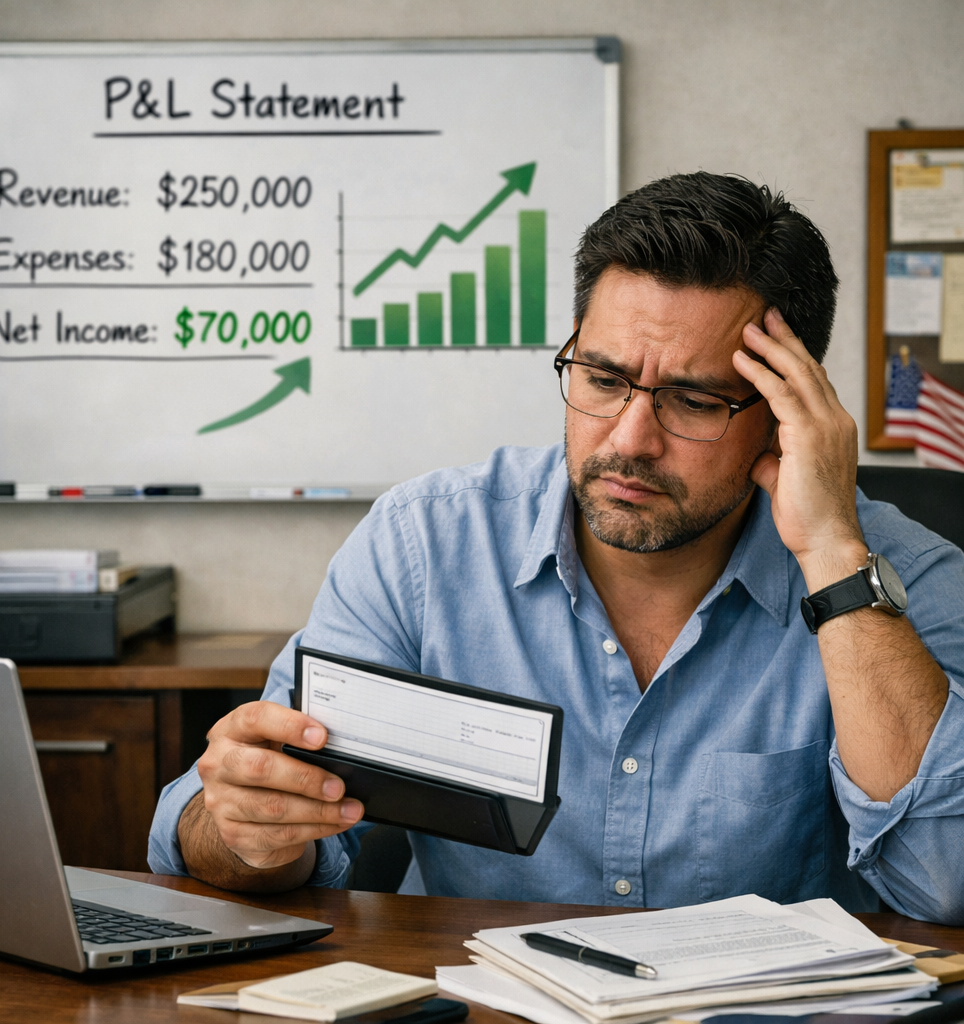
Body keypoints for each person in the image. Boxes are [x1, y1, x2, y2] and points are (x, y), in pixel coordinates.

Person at [149, 172, 964, 923]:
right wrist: (246, 830)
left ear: (789, 411)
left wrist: (830, 551)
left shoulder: (903, 577)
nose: (631, 440)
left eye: (692, 400)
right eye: (603, 380)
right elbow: (252, 845)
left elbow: (945, 882)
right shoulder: (423, 547)